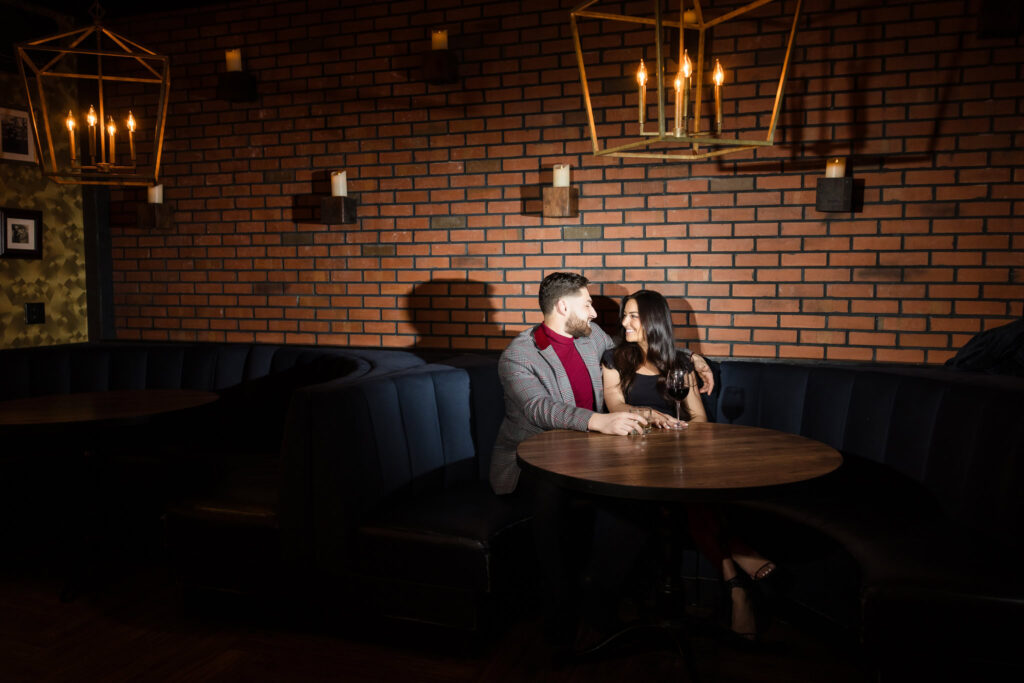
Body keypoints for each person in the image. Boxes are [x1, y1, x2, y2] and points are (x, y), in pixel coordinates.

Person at [490, 273, 714, 650]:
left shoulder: (591, 338)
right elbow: (538, 408)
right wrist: (600, 421)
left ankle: (600, 596)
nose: (595, 313)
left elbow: (642, 349)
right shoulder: (518, 355)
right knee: (550, 499)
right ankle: (559, 622)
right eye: (587, 304)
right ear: (563, 307)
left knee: (637, 498)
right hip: (532, 461)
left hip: (591, 455)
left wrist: (692, 357)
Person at [601, 289, 775, 641]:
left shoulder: (679, 365)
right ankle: (739, 566)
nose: (624, 323)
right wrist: (649, 415)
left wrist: (678, 430)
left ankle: (735, 585)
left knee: (688, 493)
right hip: (635, 460)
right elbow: (614, 406)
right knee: (690, 499)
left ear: (653, 320)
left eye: (633, 315)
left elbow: (699, 419)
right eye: (624, 315)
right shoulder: (614, 357)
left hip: (678, 457)